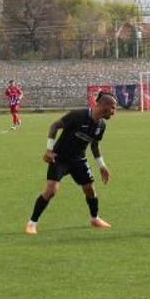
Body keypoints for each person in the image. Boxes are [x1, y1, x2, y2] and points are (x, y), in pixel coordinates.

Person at [25, 92, 118, 235]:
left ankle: (95, 219)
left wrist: (102, 166)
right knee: (51, 190)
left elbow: (94, 145)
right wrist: (49, 150)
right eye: (113, 108)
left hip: (79, 160)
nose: (114, 112)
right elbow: (54, 126)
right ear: (104, 105)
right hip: (59, 158)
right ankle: (32, 224)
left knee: (90, 190)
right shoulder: (78, 115)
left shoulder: (101, 125)